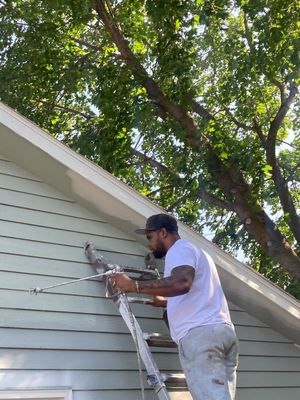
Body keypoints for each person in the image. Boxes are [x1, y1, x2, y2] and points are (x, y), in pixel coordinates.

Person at [112, 213, 239, 400]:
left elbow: (182, 283)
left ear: (163, 232)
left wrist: (133, 285)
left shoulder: (179, 250)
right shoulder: (197, 252)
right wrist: (165, 302)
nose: (149, 244)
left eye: (150, 237)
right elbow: (195, 291)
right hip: (221, 333)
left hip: (201, 336)